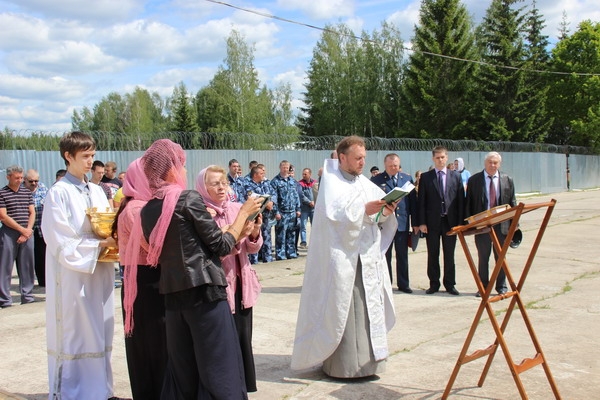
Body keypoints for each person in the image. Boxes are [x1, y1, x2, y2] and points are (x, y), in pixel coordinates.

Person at [138, 139, 261, 399]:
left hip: (173, 300)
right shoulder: (186, 198)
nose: (184, 171)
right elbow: (220, 245)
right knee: (219, 368)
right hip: (205, 295)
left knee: (185, 372)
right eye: (181, 164)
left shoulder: (148, 209)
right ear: (170, 168)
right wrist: (243, 215)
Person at [292, 136, 398, 378]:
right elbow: (335, 217)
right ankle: (345, 367)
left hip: (366, 258)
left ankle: (370, 363)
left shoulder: (365, 183)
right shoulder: (332, 183)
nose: (362, 162)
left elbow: (376, 218)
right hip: (342, 262)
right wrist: (364, 210)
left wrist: (385, 210)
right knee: (345, 312)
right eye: (357, 158)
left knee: (368, 310)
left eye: (364, 158)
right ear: (342, 158)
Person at [41, 131, 119, 399]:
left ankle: (101, 390)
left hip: (99, 272)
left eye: (92, 156)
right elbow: (59, 240)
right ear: (68, 156)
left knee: (101, 328)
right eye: (85, 156)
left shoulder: (97, 191)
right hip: (73, 276)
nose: (90, 162)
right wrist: (99, 245)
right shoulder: (58, 193)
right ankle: (72, 392)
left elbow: (106, 226)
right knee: (76, 332)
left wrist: (114, 239)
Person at [196, 165, 263, 392]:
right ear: (202, 188)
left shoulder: (237, 208)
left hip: (242, 284)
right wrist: (235, 237)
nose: (221, 187)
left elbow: (252, 249)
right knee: (224, 342)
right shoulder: (202, 214)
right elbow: (213, 251)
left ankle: (244, 386)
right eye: (214, 183)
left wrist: (254, 233)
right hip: (220, 285)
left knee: (244, 338)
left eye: (223, 182)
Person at [114, 158, 167, 400]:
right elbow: (154, 247)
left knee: (150, 344)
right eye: (150, 177)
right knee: (150, 345)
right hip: (145, 282)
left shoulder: (139, 205)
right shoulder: (136, 209)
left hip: (144, 279)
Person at [465, 152, 516, 296]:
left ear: (499, 164)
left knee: (500, 257)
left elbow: (513, 202)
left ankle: (501, 287)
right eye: (490, 162)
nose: (492, 165)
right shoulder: (474, 180)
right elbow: (469, 203)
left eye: (495, 163)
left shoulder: (507, 179)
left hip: (502, 225)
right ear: (485, 163)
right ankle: (483, 287)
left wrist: (514, 224)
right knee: (483, 257)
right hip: (483, 225)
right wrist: (470, 225)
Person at [417, 146, 464, 295]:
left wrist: (460, 222)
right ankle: (434, 284)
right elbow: (421, 202)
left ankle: (450, 284)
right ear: (433, 159)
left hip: (450, 222)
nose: (440, 160)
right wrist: (422, 222)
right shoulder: (426, 177)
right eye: (437, 157)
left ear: (447, 158)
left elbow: (460, 201)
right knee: (433, 254)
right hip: (432, 223)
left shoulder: (455, 176)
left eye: (443, 157)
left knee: (449, 254)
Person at [371, 154, 418, 293]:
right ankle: (386, 283)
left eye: (396, 166)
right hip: (385, 223)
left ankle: (404, 284)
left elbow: (413, 204)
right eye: (391, 166)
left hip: (402, 223)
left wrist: (415, 223)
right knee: (385, 255)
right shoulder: (376, 180)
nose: (393, 168)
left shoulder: (406, 178)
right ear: (385, 165)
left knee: (402, 255)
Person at [0, 165, 35, 308]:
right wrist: (22, 230)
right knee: (5, 266)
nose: (19, 180)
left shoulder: (26, 192)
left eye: (21, 178)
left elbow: (32, 212)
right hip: (9, 233)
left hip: (27, 232)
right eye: (16, 178)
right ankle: (4, 299)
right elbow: (3, 215)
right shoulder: (2, 193)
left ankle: (27, 296)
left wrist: (28, 230)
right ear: (8, 177)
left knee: (27, 265)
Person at [242, 165, 276, 263]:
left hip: (265, 216)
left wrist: (272, 202)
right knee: (254, 237)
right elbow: (251, 197)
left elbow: (273, 193)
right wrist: (266, 203)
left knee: (267, 236)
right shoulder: (247, 184)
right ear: (255, 175)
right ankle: (254, 260)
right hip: (254, 215)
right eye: (261, 173)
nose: (263, 175)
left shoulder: (266, 183)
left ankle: (267, 258)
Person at [270, 160, 300, 261]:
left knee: (291, 234)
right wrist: (276, 212)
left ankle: (291, 253)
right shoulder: (275, 181)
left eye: (287, 167)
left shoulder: (292, 181)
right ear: (280, 167)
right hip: (282, 213)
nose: (285, 169)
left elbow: (296, 196)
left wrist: (298, 209)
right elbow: (273, 199)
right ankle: (281, 254)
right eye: (283, 167)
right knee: (280, 236)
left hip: (292, 212)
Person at [24, 169, 49, 287]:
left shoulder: (43, 188)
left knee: (42, 256)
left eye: (36, 181)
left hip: (41, 228)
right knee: (27, 259)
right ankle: (26, 283)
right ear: (25, 180)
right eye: (31, 181)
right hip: (26, 229)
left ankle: (43, 281)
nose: (34, 183)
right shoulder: (21, 191)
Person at [297, 168, 315, 248]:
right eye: (303, 174)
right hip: (304, 208)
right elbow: (301, 195)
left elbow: (316, 192)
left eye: (305, 174)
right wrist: (309, 202)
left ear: (310, 174)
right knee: (303, 226)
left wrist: (314, 201)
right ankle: (303, 241)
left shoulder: (315, 183)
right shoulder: (300, 183)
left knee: (314, 225)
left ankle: (314, 241)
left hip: (313, 208)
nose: (303, 175)